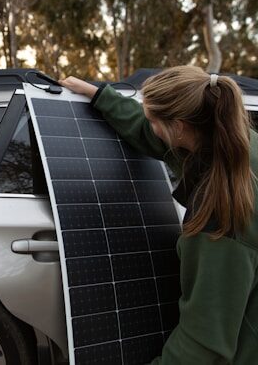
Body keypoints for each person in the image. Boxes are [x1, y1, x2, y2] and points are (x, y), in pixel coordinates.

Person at [57, 65, 258, 364]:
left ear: (178, 128)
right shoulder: (236, 141)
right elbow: (149, 133)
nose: (149, 125)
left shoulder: (220, 215)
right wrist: (100, 95)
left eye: (153, 119)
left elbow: (203, 343)